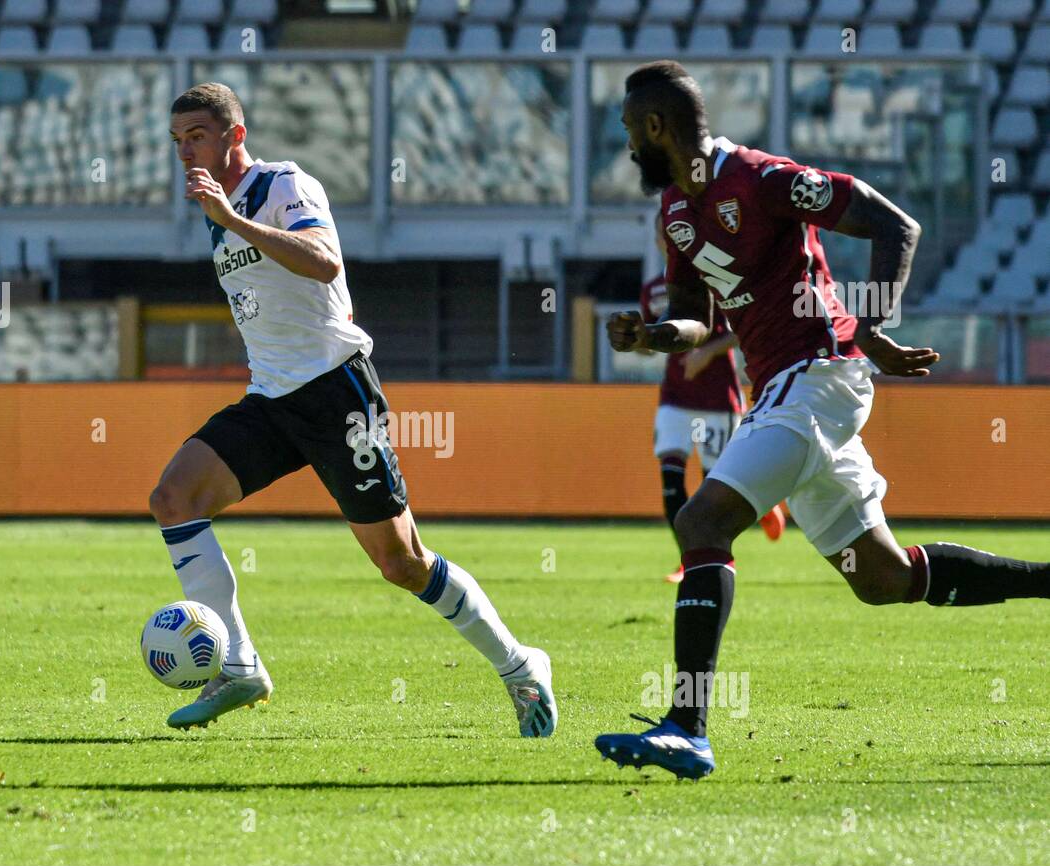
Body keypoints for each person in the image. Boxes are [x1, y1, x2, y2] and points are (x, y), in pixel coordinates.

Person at [600, 60, 1050, 779]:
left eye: (629, 129)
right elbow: (693, 314)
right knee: (883, 578)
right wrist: (651, 335)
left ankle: (687, 725)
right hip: (792, 390)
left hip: (818, 375)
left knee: (700, 524)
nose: (626, 146)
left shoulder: (760, 178)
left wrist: (871, 323)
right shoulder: (675, 215)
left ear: (658, 127)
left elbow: (893, 224)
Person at [150, 83, 556, 737]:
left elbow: (324, 260)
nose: (185, 151)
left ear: (236, 135)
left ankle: (519, 665)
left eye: (196, 134)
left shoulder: (282, 185)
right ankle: (238, 664)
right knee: (173, 498)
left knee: (402, 563)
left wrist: (234, 221)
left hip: (337, 392)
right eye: (176, 140)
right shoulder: (213, 212)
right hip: (272, 398)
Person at [640, 210, 784, 585]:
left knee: (713, 490)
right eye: (661, 233)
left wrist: (708, 351)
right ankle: (689, 560)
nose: (666, 239)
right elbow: (650, 345)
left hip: (717, 399)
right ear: (659, 240)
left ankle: (760, 504)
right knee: (672, 484)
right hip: (674, 398)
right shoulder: (654, 289)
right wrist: (638, 339)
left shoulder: (717, 282)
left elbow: (742, 328)